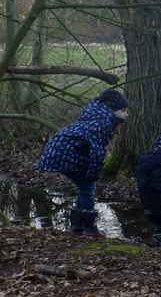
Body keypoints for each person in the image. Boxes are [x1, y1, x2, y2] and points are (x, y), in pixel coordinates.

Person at [37, 88, 129, 237]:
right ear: (113, 108)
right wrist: (93, 174)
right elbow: (97, 152)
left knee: (84, 188)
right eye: (123, 110)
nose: (126, 114)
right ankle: (88, 228)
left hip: (61, 150)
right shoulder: (103, 122)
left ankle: (77, 227)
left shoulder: (96, 114)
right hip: (65, 153)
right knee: (88, 188)